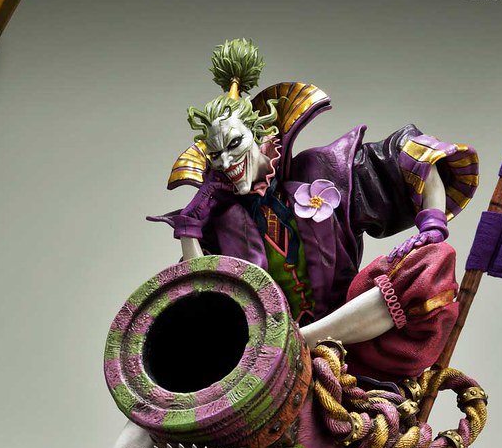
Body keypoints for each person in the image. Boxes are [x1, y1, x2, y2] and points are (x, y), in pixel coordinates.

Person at [149, 38, 479, 384]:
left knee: (434, 259)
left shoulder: (321, 171)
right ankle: (290, 349)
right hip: (273, 367)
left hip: (357, 335)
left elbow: (414, 153)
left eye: (234, 144)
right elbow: (199, 298)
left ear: (263, 138)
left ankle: (301, 342)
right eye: (216, 155)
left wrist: (432, 227)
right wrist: (190, 224)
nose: (227, 161)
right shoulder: (222, 222)